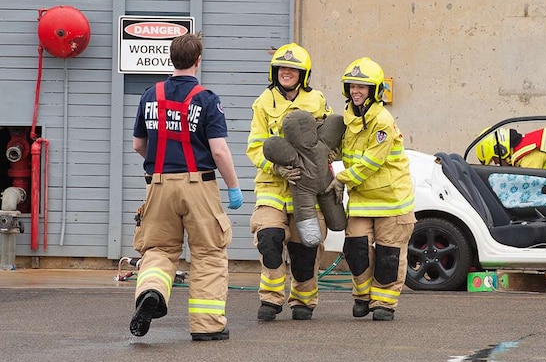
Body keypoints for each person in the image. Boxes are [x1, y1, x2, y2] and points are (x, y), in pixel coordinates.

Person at [130, 33, 243, 341]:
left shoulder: (149, 95)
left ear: (171, 59)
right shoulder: (207, 99)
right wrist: (233, 186)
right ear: (198, 61)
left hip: (158, 185)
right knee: (209, 252)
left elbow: (138, 144)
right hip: (199, 185)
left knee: (159, 248)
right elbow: (219, 150)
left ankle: (151, 292)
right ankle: (207, 326)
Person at [246, 43, 333, 322]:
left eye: (293, 69)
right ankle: (271, 298)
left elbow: (329, 141)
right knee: (269, 239)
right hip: (273, 187)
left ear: (303, 74)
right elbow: (255, 147)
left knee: (306, 248)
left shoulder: (317, 101)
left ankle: (304, 300)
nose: (287, 72)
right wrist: (275, 167)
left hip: (307, 191)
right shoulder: (263, 102)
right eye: (282, 68)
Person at [325, 57, 415, 321]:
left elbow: (371, 162)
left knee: (389, 255)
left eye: (362, 87)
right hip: (363, 200)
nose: (356, 90)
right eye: (352, 85)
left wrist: (342, 178)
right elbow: (344, 149)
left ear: (374, 91)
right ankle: (363, 296)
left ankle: (384, 303)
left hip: (392, 201)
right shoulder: (350, 119)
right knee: (356, 250)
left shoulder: (382, 121)